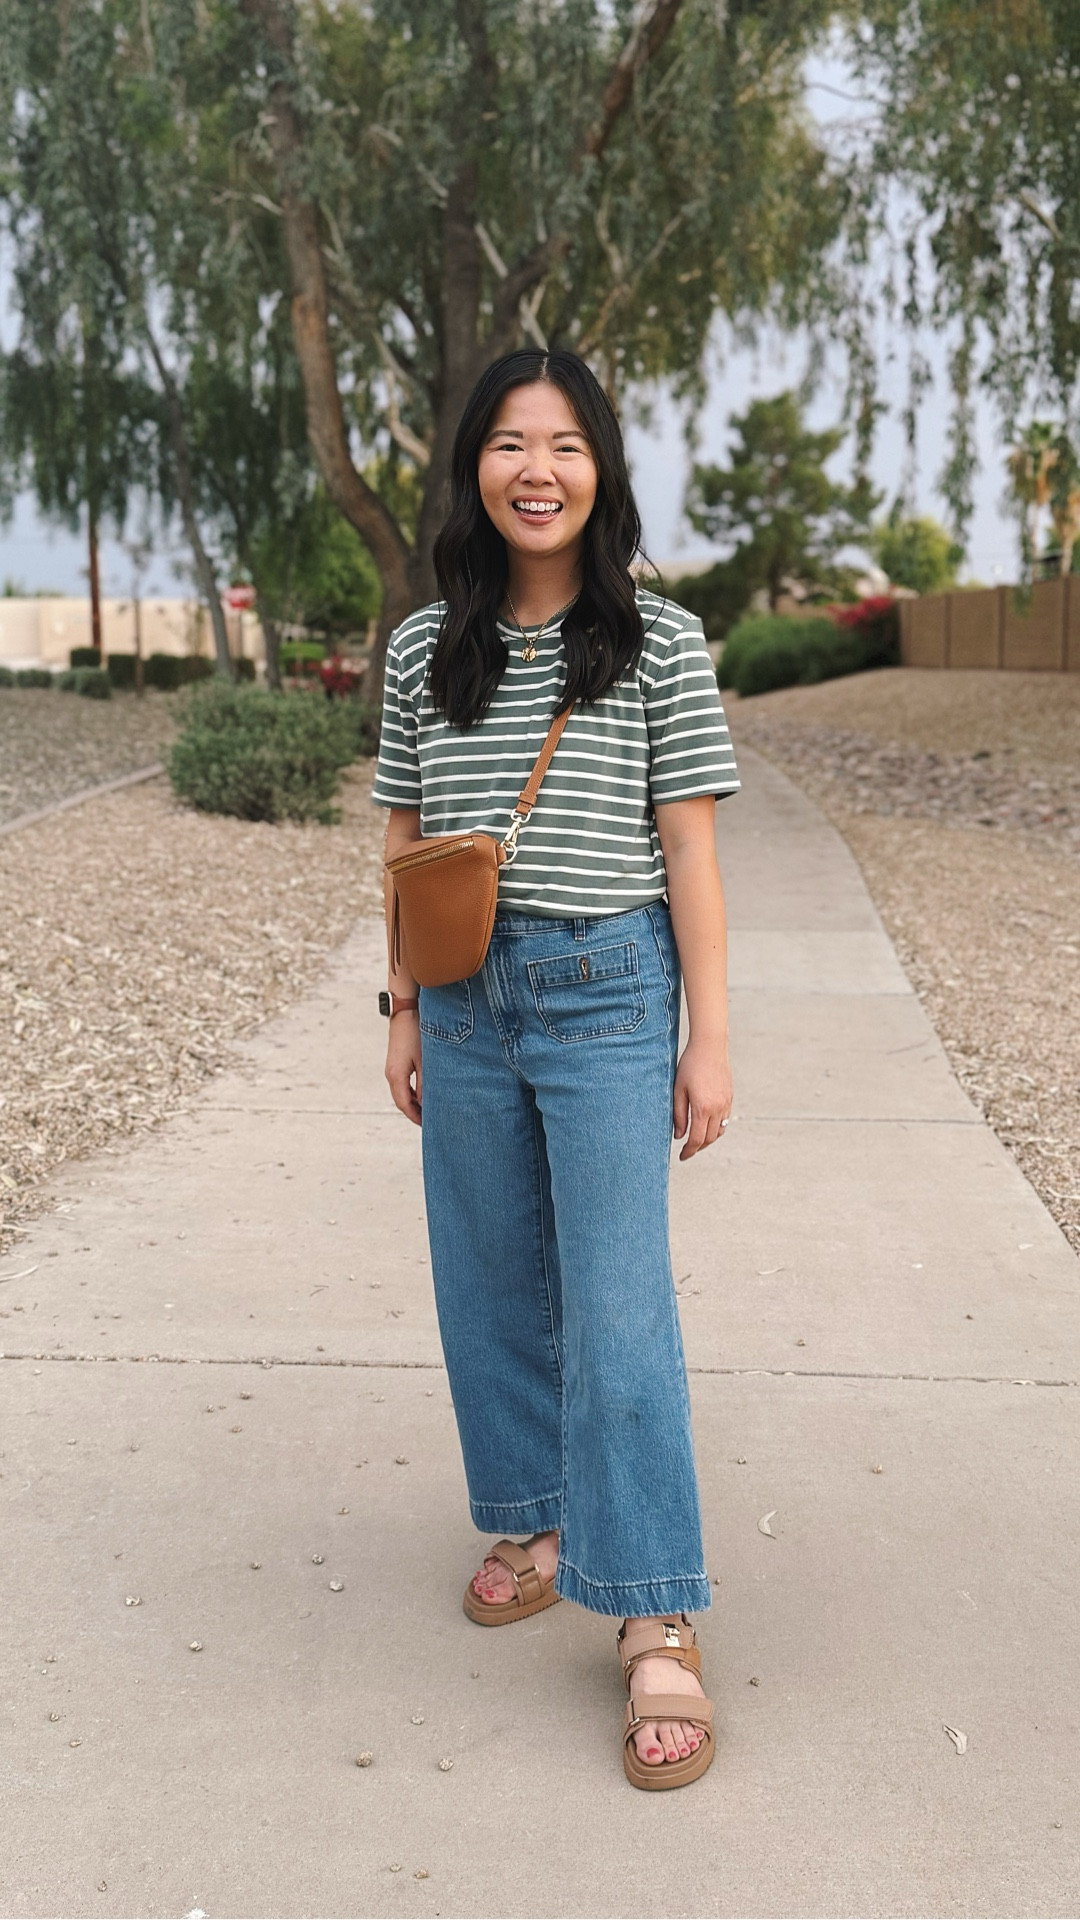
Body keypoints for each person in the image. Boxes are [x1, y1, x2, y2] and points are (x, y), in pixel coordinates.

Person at [371, 348, 739, 1790]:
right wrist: (399, 1004)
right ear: (474, 467)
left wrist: (709, 1033)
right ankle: (533, 1518)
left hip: (608, 996)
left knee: (619, 1309)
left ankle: (656, 1608)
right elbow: (404, 841)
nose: (537, 469)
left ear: (602, 472)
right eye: (511, 444)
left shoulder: (662, 637)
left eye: (566, 446)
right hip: (463, 1005)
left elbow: (691, 848)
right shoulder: (422, 647)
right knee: (485, 1283)